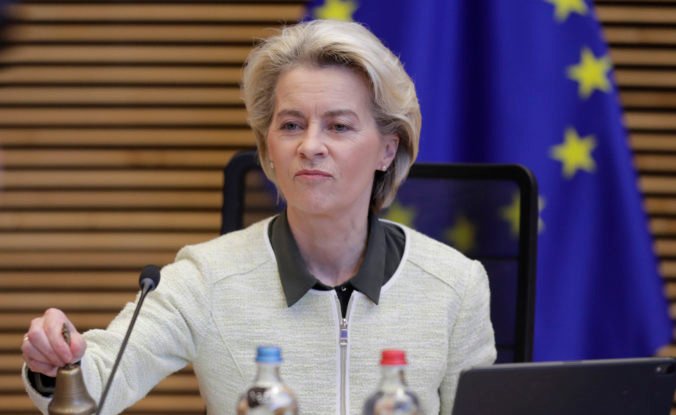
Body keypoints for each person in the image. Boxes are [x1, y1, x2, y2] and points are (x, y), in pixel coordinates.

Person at [21, 19, 496, 414]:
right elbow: (98, 384)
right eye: (291, 125)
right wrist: (59, 363)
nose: (310, 146)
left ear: (387, 149)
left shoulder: (454, 286)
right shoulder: (207, 278)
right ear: (268, 148)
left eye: (338, 126)